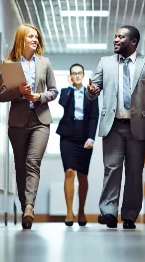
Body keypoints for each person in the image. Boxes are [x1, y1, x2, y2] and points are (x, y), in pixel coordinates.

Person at [87, 25, 145, 229]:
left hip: (138, 125)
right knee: (112, 168)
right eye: (115, 37)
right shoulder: (105, 63)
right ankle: (109, 212)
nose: (115, 40)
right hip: (113, 125)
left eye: (121, 37)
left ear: (133, 42)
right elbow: (93, 89)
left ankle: (129, 215)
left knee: (134, 171)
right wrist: (93, 91)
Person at [0, 23, 58, 229]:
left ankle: (30, 207)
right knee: (20, 165)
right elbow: (0, 95)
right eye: (31, 36)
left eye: (37, 37)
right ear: (21, 39)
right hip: (17, 122)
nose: (35, 40)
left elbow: (54, 91)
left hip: (40, 120)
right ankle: (25, 208)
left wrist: (40, 96)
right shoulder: (10, 64)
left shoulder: (45, 63)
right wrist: (19, 92)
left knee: (33, 162)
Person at [56, 63, 99, 227]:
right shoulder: (66, 92)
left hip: (84, 138)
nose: (77, 76)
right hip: (67, 136)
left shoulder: (91, 94)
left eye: (79, 73)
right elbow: (62, 103)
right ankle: (69, 212)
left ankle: (81, 211)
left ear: (83, 74)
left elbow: (94, 116)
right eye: (74, 73)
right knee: (69, 172)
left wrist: (91, 138)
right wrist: (70, 87)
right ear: (71, 76)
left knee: (82, 175)